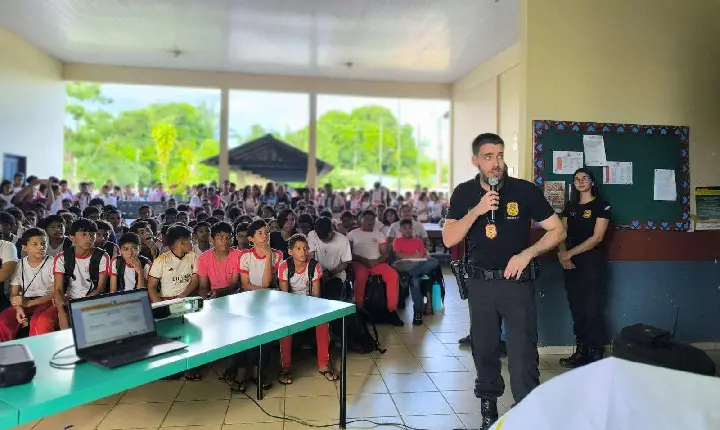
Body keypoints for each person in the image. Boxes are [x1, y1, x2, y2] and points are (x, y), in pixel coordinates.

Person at [442, 133, 566, 429]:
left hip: (517, 284)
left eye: (499, 155)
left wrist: (528, 253)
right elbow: (449, 238)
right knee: (484, 349)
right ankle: (489, 411)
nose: (496, 163)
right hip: (480, 284)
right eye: (488, 157)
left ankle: (525, 412)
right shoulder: (463, 193)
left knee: (523, 353)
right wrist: (478, 210)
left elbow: (557, 230)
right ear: (476, 161)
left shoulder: (525, 191)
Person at [557, 168, 611, 368]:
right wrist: (563, 256)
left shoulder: (601, 206)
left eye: (584, 178)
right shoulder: (570, 206)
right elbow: (561, 233)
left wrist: (569, 254)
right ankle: (581, 352)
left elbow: (597, 237)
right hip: (570, 264)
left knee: (592, 309)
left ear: (592, 182)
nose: (580, 182)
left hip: (591, 263)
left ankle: (596, 353)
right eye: (576, 179)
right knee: (577, 309)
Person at [277, 234, 339, 385]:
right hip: (290, 305)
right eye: (298, 248)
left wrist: (309, 312)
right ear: (290, 251)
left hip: (310, 304)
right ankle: (285, 368)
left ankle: (323, 365)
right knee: (284, 326)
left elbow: (316, 297)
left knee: (323, 322)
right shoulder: (284, 266)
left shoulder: (314, 266)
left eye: (305, 248)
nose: (303, 251)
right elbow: (285, 297)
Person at [52, 218, 111, 330]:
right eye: (83, 234)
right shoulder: (61, 258)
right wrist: (62, 311)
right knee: (50, 321)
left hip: (93, 300)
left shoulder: (102, 256)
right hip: (68, 300)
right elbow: (58, 290)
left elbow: (100, 288)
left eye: (92, 234)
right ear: (72, 238)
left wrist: (78, 306)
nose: (89, 238)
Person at [348, 210, 403, 326]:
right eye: (367, 219)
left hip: (376, 263)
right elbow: (347, 253)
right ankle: (359, 309)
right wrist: (363, 260)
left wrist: (376, 261)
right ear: (360, 220)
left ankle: (392, 310)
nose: (370, 221)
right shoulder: (353, 233)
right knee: (361, 276)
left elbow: (386, 253)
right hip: (359, 262)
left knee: (393, 275)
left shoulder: (378, 234)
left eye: (372, 219)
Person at [0, 228, 54, 340]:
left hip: (47, 301)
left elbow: (56, 293)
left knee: (40, 322)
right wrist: (18, 307)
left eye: (43, 244)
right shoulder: (20, 264)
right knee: (3, 320)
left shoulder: (53, 262)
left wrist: (29, 303)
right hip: (25, 301)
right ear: (25, 248)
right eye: (35, 244)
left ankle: (39, 354)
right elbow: (14, 293)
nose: (41, 247)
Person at [393, 219, 439, 325]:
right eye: (404, 228)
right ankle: (418, 312)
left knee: (434, 262)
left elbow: (423, 254)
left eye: (409, 228)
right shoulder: (397, 240)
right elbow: (399, 255)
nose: (407, 230)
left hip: (418, 265)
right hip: (405, 265)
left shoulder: (417, 241)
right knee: (413, 278)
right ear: (400, 230)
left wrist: (427, 257)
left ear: (412, 229)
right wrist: (414, 255)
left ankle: (417, 313)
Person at [147, 224, 199, 304]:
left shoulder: (193, 256)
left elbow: (195, 280)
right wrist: (161, 305)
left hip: (189, 297)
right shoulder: (160, 261)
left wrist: (181, 296)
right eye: (190, 240)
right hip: (166, 300)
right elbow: (151, 287)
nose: (192, 242)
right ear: (182, 242)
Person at [308, 217, 352, 299]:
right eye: (321, 237)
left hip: (336, 276)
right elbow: (311, 256)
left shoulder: (343, 240)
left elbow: (345, 263)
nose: (323, 239)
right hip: (316, 274)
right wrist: (317, 273)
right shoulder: (312, 235)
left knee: (332, 294)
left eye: (326, 237)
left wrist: (330, 273)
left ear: (331, 229)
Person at [197, 221, 241, 299]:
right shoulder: (203, 258)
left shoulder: (238, 255)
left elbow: (234, 284)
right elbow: (203, 286)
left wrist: (219, 292)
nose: (225, 241)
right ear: (211, 239)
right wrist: (205, 298)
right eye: (220, 237)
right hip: (213, 297)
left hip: (234, 296)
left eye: (228, 237)